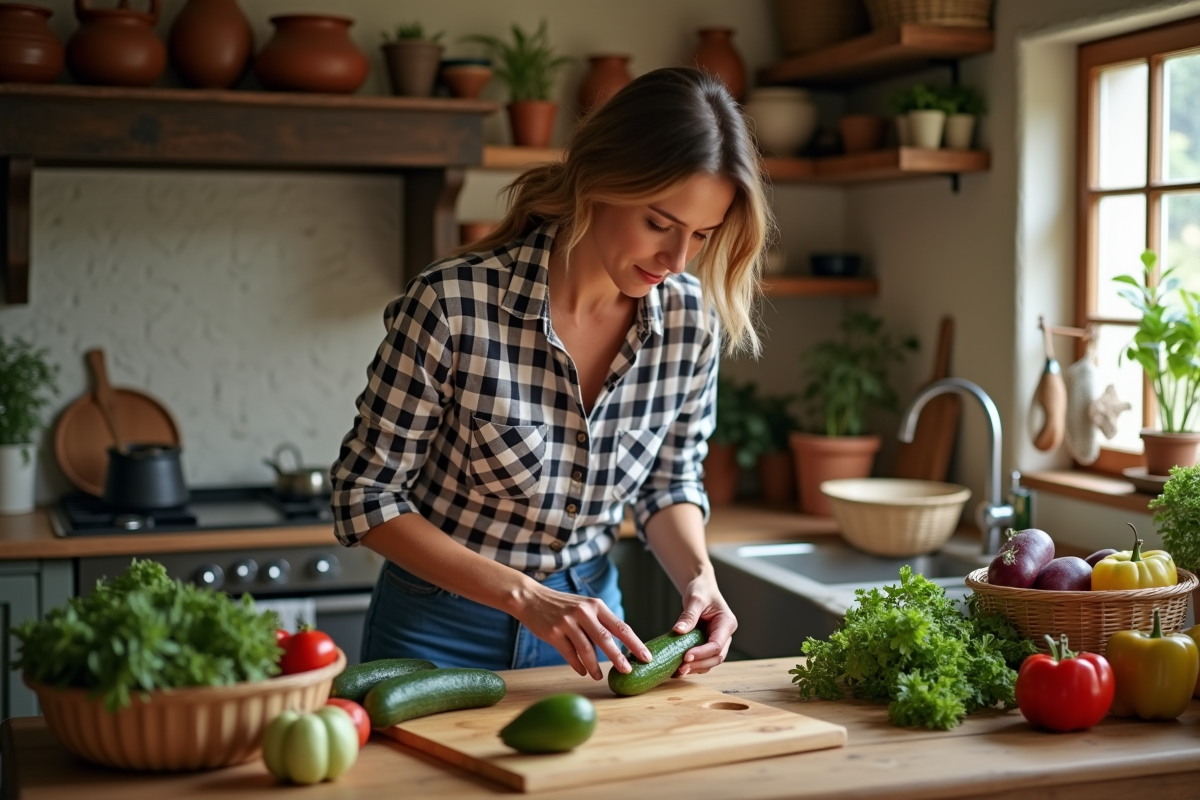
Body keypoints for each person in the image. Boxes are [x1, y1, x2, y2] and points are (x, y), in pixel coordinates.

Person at [330, 66, 773, 682]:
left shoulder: (689, 322)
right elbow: (364, 496)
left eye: (700, 235)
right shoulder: (454, 305)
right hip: (437, 629)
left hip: (594, 635)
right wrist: (524, 597)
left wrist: (702, 579)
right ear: (597, 181)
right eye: (659, 223)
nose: (676, 260)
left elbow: (668, 482)